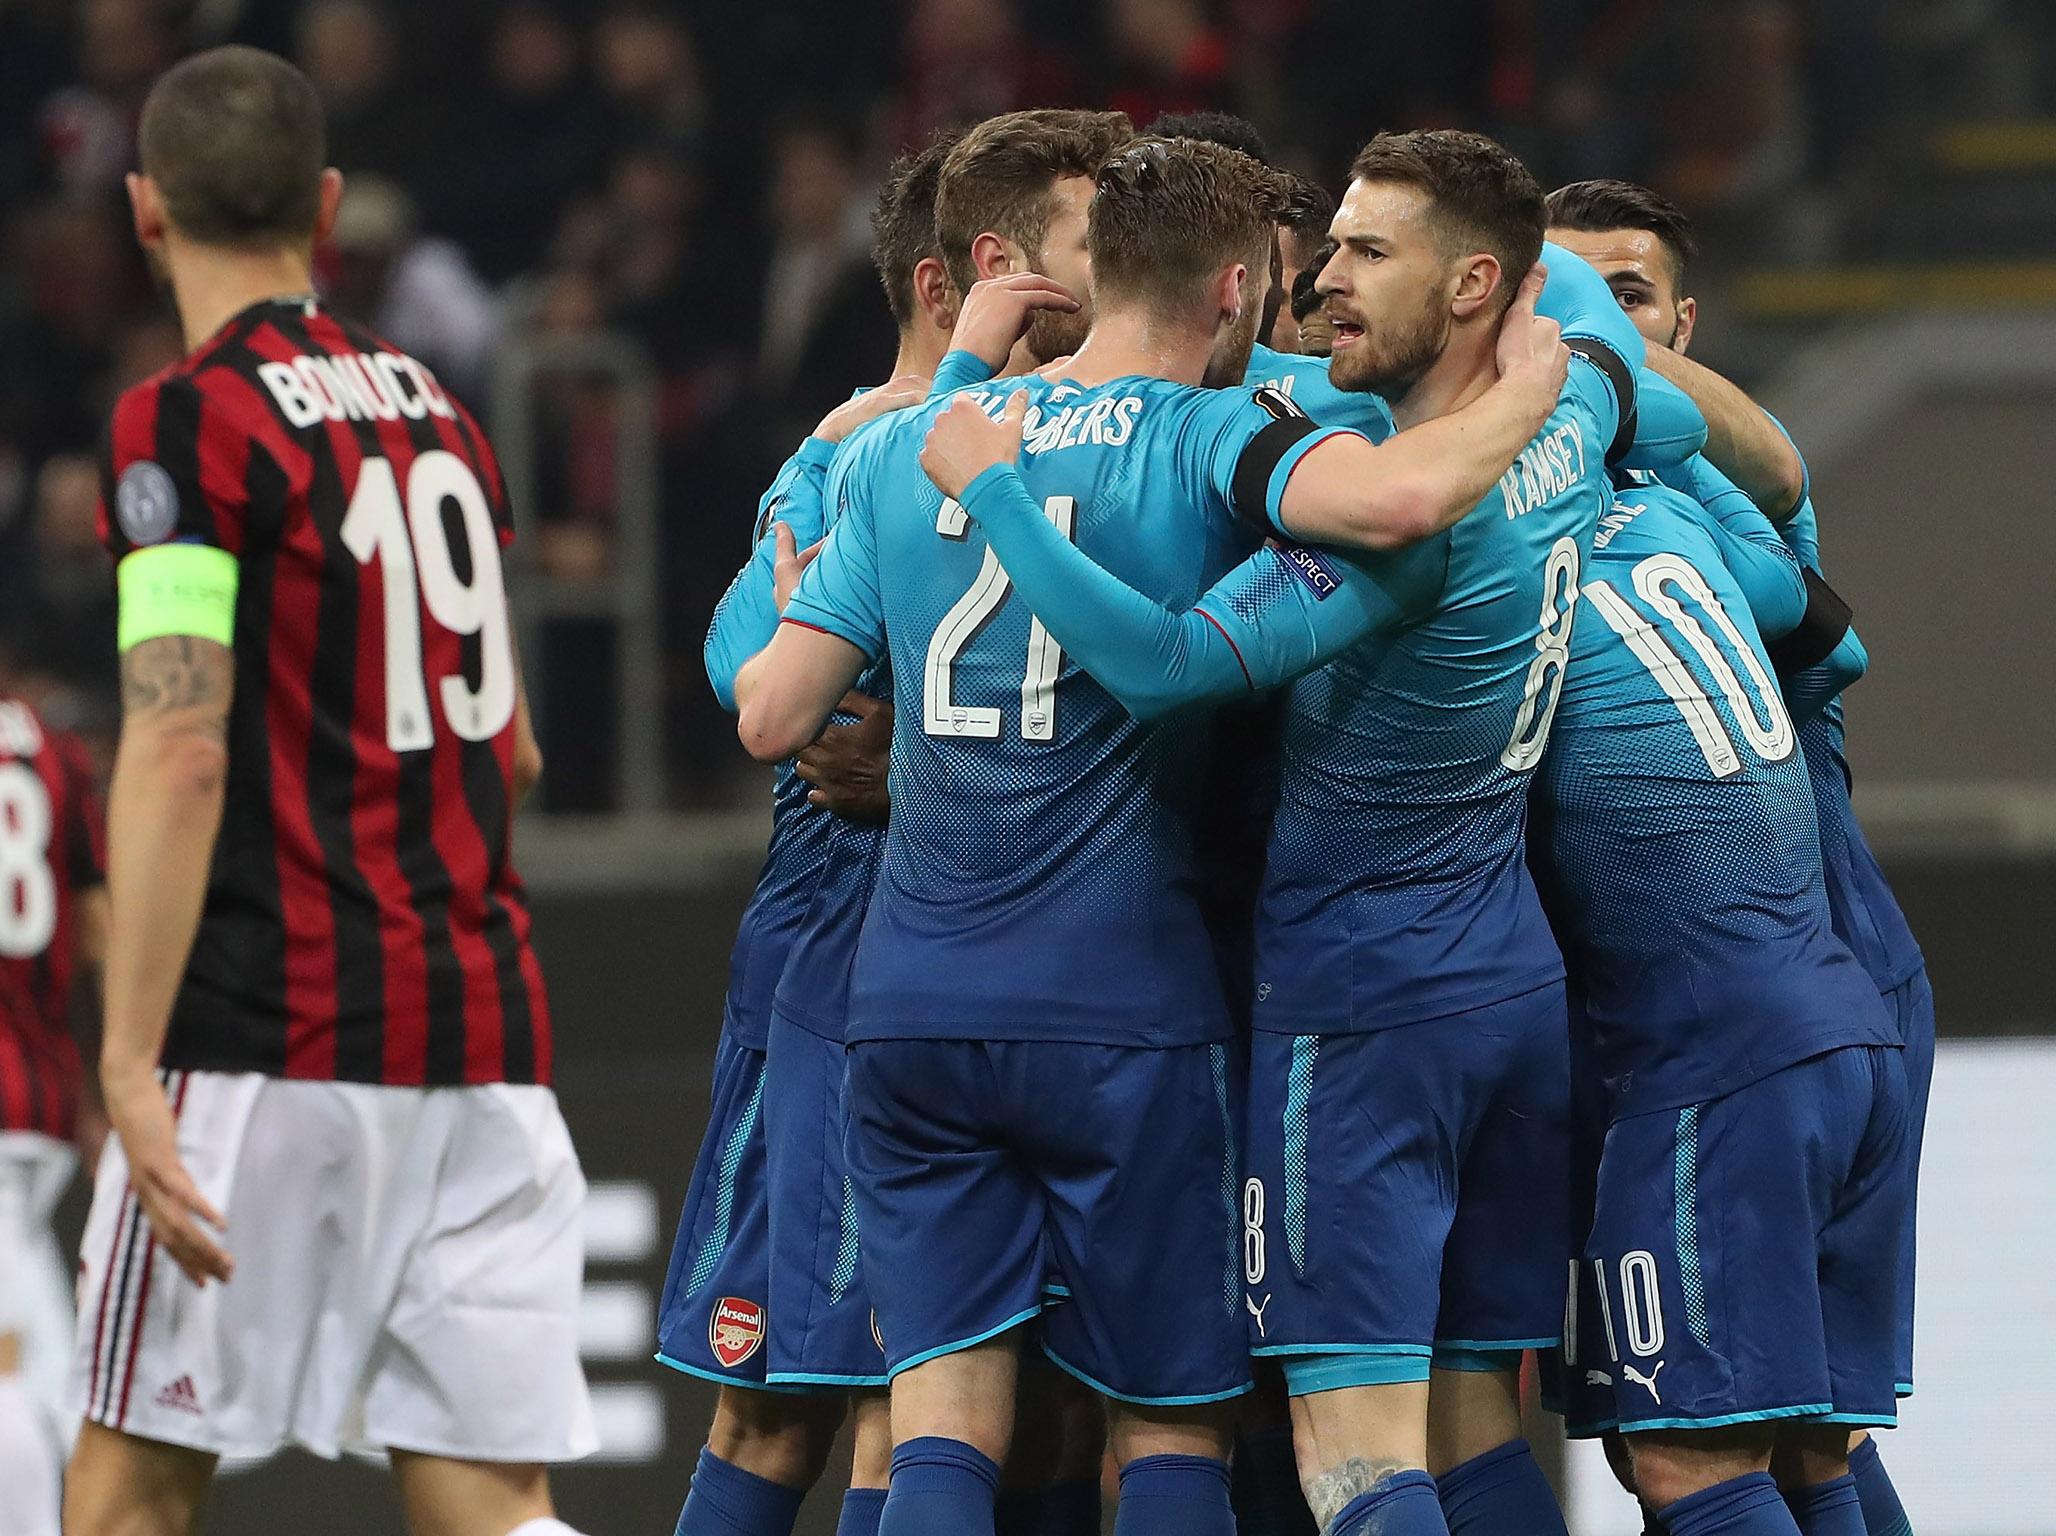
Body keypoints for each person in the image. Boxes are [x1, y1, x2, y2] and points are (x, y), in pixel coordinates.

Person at [738, 133, 1570, 1536]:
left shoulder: (904, 451)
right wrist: (1538, 397)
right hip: (1127, 1006)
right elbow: (1393, 502)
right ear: (1241, 292)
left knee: (939, 1425)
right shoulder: (1216, 442)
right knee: (1167, 1426)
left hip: (916, 999)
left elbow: (771, 713)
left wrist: (900, 436)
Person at [63, 48, 591, 1536]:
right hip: (483, 1045)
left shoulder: (183, 424)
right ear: (331, 206)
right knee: (493, 1503)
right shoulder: (442, 412)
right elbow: (520, 752)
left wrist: (121, 1060)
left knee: (126, 1496)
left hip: (266, 1036)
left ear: (145, 210)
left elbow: (178, 740)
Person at [1547, 177, 1926, 1536]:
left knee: (1695, 1443)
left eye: (1623, 301)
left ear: (1683, 325)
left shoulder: (1698, 481)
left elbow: (1774, 466)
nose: (1595, 340)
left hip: (1749, 992)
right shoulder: (1688, 504)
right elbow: (1841, 641)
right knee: (1805, 1433)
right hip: (1803, 991)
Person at [658, 130, 958, 1536]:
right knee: (812, 1397)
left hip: (1010, 958)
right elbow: (741, 665)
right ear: (960, 280)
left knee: (971, 1406)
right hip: (843, 945)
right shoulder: (851, 447)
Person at [0, 684, 105, 1536]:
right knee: (54, 1385)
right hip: (42, 1097)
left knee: (2, 1384)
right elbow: (104, 932)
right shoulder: (56, 751)